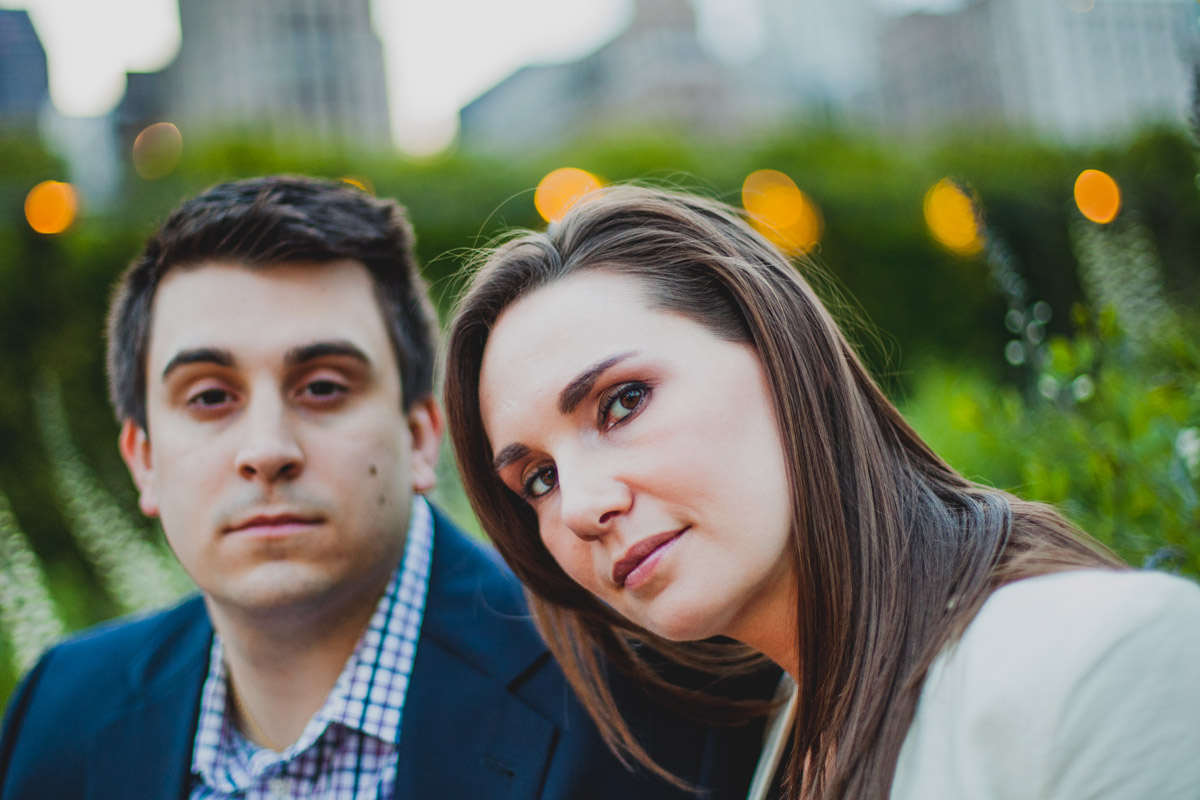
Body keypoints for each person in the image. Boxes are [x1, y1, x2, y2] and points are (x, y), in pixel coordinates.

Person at [0, 176, 768, 799]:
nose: (267, 451)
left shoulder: (651, 701)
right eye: (209, 397)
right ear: (142, 460)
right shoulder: (60, 710)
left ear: (419, 434)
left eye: (324, 386)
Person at [442, 185, 1200, 799]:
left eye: (623, 402)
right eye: (536, 479)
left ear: (780, 350)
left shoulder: (1102, 664)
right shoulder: (783, 741)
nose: (578, 507)